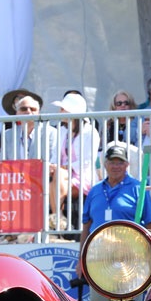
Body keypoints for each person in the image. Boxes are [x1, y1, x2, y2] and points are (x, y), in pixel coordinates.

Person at [78, 144, 151, 301]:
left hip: (127, 259)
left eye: (120, 162)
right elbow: (86, 226)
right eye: (112, 162)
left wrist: (143, 253)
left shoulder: (138, 188)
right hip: (98, 258)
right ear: (105, 164)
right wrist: (81, 259)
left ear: (127, 164)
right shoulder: (95, 191)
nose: (116, 166)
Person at [51, 92, 101, 226]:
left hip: (83, 176)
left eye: (62, 108)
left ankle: (57, 218)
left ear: (70, 111)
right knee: (44, 177)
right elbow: (55, 155)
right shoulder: (61, 130)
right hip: (61, 176)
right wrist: (52, 166)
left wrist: (63, 168)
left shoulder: (90, 132)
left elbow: (87, 161)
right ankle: (54, 221)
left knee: (58, 176)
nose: (59, 111)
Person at [0, 88, 59, 161]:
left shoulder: (51, 133)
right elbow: (2, 163)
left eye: (33, 109)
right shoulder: (8, 134)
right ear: (17, 113)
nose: (28, 112)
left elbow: (53, 161)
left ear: (38, 113)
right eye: (23, 109)